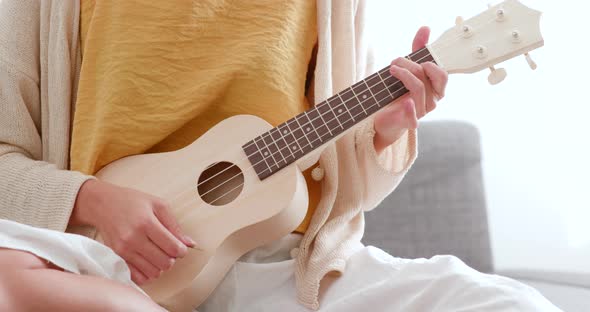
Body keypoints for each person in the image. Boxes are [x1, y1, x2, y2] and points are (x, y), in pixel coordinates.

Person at [0, 1, 560, 311]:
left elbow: (341, 185)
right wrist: (96, 201)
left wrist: (383, 132)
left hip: (285, 271)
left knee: (510, 306)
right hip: (94, 263)